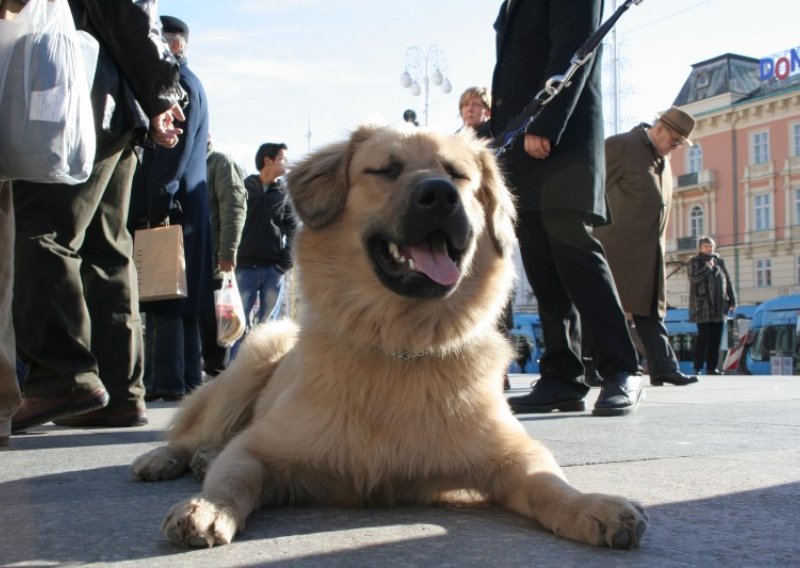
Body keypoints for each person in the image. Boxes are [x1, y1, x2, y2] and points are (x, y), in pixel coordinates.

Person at [10, 0, 185, 432]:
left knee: (43, 231)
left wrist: (161, 93)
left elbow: (126, 10)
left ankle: (62, 376)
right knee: (106, 247)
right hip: (117, 102)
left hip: (75, 95)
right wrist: (157, 95)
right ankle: (119, 393)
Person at [491, 0, 643, 417]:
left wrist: (545, 122)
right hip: (522, 141)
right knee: (541, 264)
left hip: (560, 139)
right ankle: (562, 377)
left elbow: (575, 47)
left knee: (576, 256)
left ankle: (622, 369)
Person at [136, 16, 214, 401]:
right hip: (190, 205)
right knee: (181, 298)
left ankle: (165, 382)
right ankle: (182, 380)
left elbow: (172, 151)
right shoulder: (192, 81)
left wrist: (158, 203)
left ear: (175, 45)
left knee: (165, 294)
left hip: (174, 203)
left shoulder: (177, 84)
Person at [594, 107, 700, 387]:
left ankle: (664, 366)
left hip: (648, 253)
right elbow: (593, 185)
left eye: (680, 144)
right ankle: (588, 366)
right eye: (675, 141)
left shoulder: (662, 160)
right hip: (617, 248)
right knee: (603, 308)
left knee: (649, 311)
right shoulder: (622, 145)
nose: (675, 148)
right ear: (660, 128)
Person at [232, 143, 296, 357]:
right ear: (267, 160)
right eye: (282, 159)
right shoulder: (244, 187)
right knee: (237, 326)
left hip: (273, 271)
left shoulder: (284, 195)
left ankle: (259, 377)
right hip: (243, 268)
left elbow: (293, 229)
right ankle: (232, 376)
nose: (286, 163)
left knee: (266, 328)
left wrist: (285, 262)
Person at [200, 137, 247, 376]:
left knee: (218, 327)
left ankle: (220, 379)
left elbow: (234, 208)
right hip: (192, 259)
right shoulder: (191, 163)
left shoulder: (219, 163)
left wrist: (227, 252)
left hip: (214, 260)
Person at [688, 236, 736, 375]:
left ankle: (712, 367)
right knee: (704, 338)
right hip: (702, 306)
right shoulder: (694, 261)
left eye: (711, 246)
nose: (709, 249)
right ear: (700, 248)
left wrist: (732, 301)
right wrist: (707, 269)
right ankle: (697, 367)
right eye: (706, 246)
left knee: (716, 338)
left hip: (719, 306)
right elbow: (693, 278)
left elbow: (728, 280)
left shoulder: (719, 261)